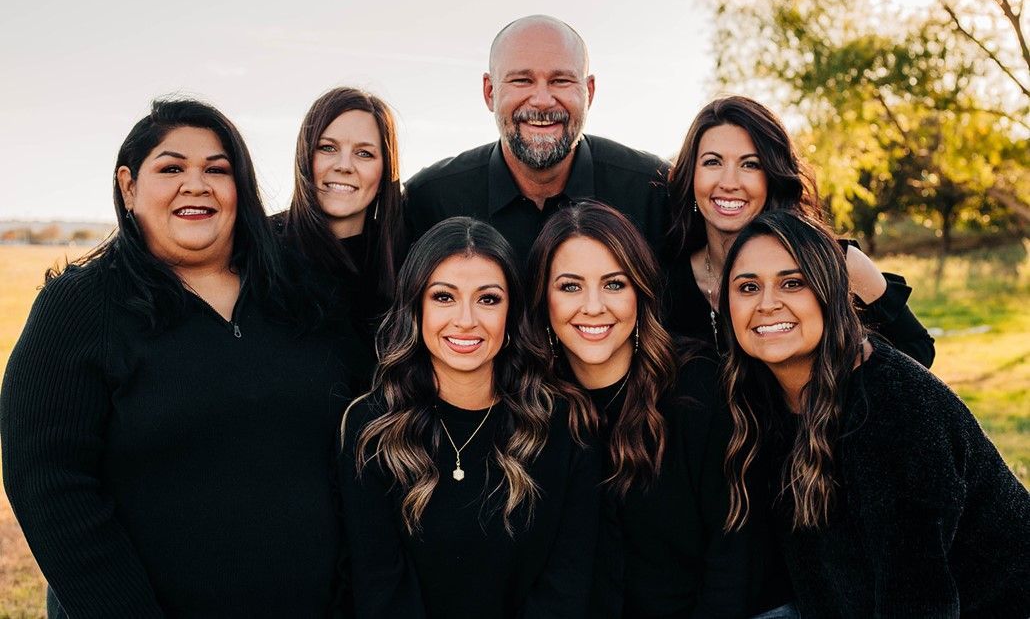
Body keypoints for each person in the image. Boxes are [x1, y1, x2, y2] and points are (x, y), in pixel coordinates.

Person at [1, 99, 356, 617]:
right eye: (171, 168)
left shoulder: (298, 295)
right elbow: (48, 484)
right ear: (128, 185)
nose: (196, 184)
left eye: (217, 170)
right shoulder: (82, 306)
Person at [721, 210, 1030, 616]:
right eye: (747, 287)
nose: (767, 304)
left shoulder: (893, 408)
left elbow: (920, 601)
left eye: (792, 283)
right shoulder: (763, 398)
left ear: (829, 293)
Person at [526, 200, 778, 618]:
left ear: (640, 291)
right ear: (543, 299)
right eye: (570, 287)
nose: (593, 306)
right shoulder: (534, 407)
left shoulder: (697, 387)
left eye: (614, 284)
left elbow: (734, 554)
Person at [339, 217, 601, 619]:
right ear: (416, 307)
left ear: (511, 314)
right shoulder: (372, 427)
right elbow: (380, 588)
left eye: (488, 299)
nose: (466, 319)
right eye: (444, 297)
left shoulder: (564, 424)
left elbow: (566, 583)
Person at [666, 95, 935, 366]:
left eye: (750, 164)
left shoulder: (837, 262)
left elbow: (916, 350)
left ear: (772, 176)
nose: (729, 182)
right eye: (713, 162)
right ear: (691, 175)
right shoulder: (666, 280)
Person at [404, 14, 670, 265]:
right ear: (490, 92)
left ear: (589, 92)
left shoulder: (653, 193)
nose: (542, 100)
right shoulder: (430, 201)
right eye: (521, 80)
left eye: (561, 80)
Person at [280, 86, 405, 352]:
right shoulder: (259, 249)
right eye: (327, 148)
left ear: (385, 171)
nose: (344, 165)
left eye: (364, 153)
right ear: (305, 157)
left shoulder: (405, 261)